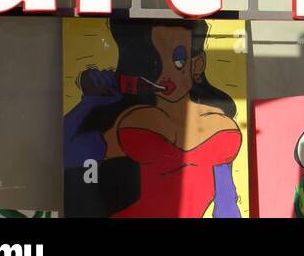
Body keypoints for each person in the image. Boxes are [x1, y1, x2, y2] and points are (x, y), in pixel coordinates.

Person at [63, 20, 242, 218]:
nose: (164, 74)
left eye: (178, 59)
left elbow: (226, 204)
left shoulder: (220, 127)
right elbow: (69, 155)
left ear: (197, 64)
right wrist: (89, 103)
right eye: (153, 62)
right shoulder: (132, 122)